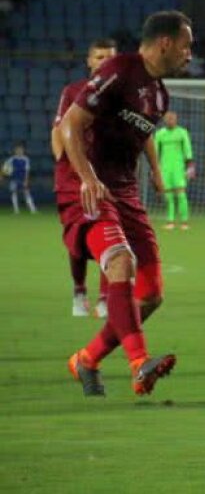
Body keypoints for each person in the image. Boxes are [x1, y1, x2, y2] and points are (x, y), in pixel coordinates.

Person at [58, 12, 193, 397]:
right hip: (86, 185)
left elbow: (140, 139)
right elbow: (70, 124)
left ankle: (86, 358)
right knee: (120, 261)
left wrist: (152, 169)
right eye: (187, 44)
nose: (190, 53)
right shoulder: (120, 69)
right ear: (165, 42)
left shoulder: (161, 93)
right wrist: (86, 177)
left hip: (124, 190)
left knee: (150, 295)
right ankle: (139, 364)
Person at [53, 38, 118, 317]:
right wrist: (66, 164)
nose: (104, 62)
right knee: (78, 237)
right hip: (75, 178)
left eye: (110, 57)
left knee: (114, 235)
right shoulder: (74, 91)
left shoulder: (121, 95)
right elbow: (59, 131)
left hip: (108, 176)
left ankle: (105, 299)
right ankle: (79, 291)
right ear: (90, 61)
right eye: (99, 57)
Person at [154, 111, 195, 230]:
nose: (170, 121)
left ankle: (184, 221)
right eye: (168, 119)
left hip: (179, 167)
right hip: (165, 167)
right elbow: (156, 152)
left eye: (172, 119)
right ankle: (170, 221)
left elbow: (188, 150)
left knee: (181, 194)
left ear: (176, 120)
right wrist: (155, 169)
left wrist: (190, 165)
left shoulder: (182, 133)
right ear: (164, 120)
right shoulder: (160, 134)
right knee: (168, 196)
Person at [3, 142, 35, 213]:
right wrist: (4, 173)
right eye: (18, 150)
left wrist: (26, 180)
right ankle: (16, 210)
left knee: (26, 193)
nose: (19, 151)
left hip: (22, 179)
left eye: (21, 150)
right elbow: (5, 168)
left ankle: (32, 209)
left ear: (23, 151)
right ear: (15, 151)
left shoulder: (25, 159)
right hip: (14, 179)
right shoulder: (11, 159)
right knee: (14, 193)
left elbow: (27, 170)